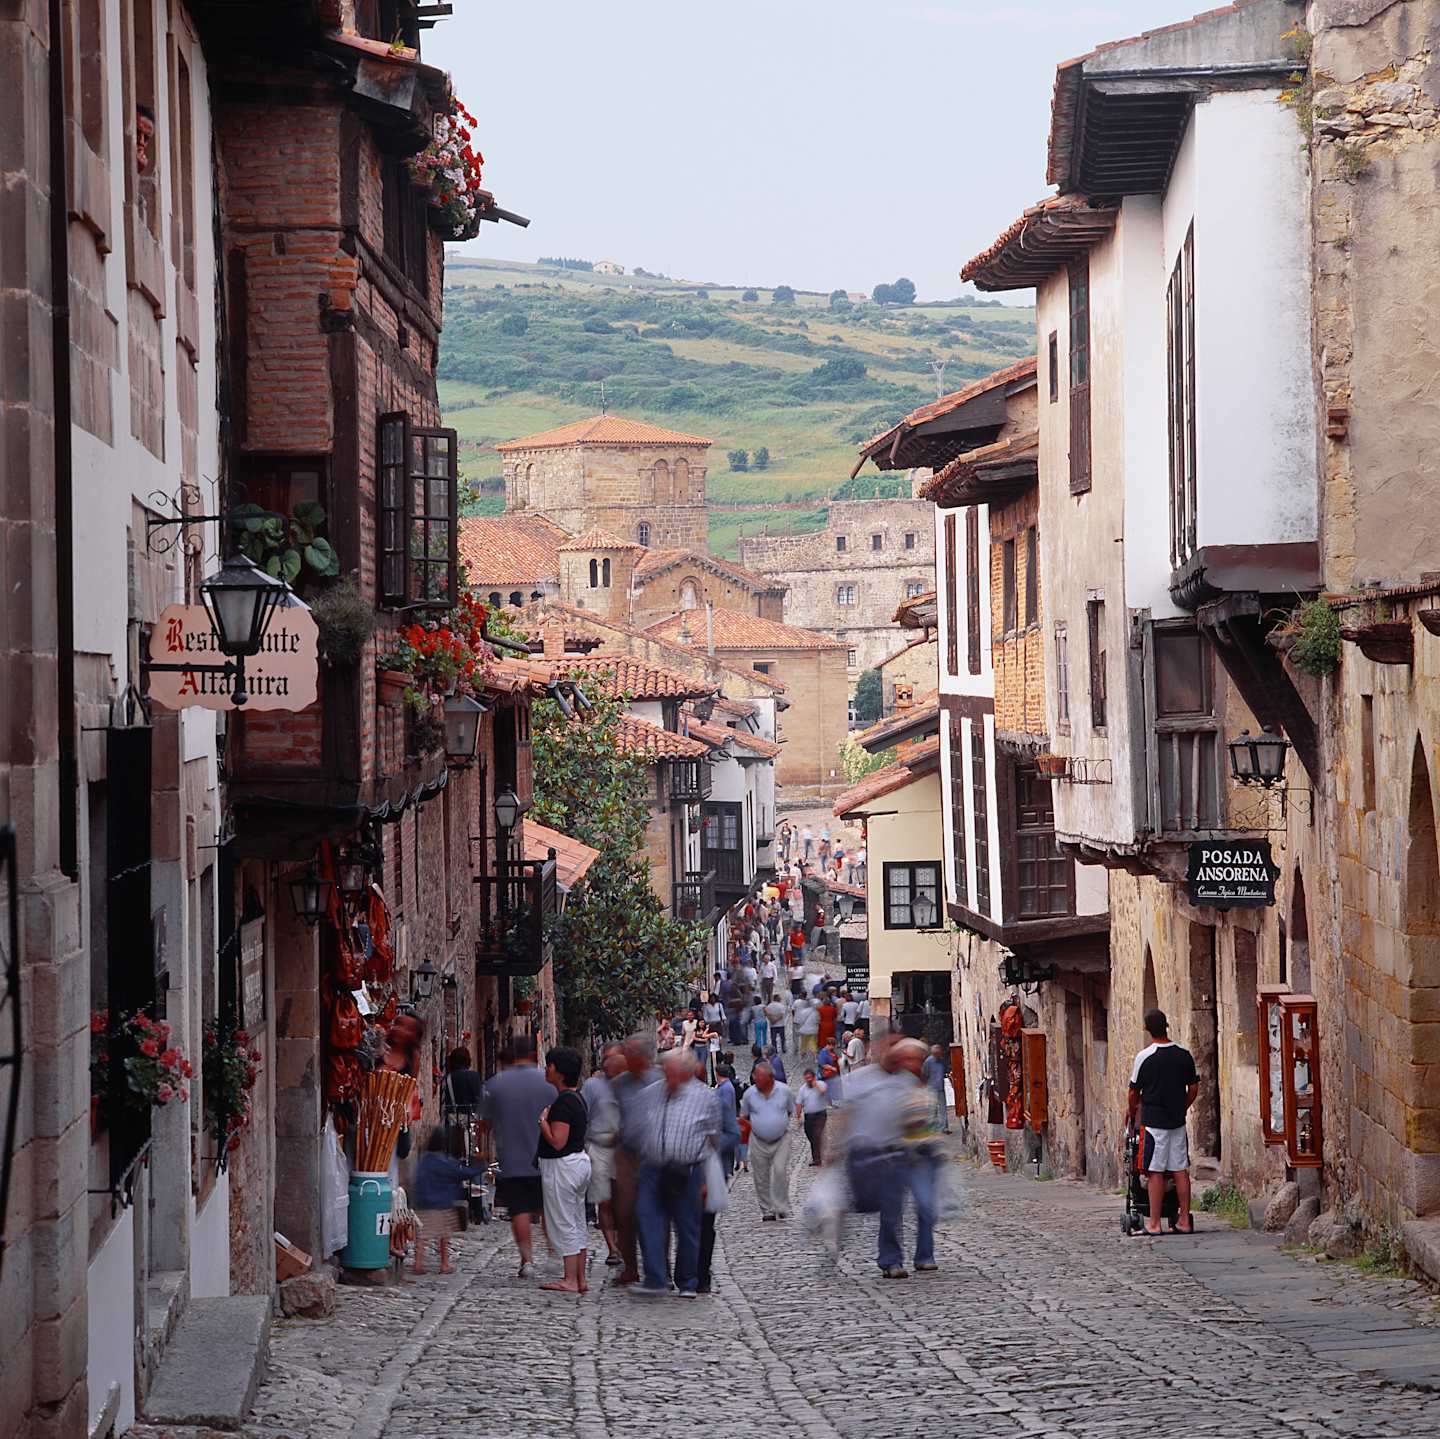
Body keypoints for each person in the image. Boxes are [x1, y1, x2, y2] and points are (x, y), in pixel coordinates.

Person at [633, 1050, 719, 1299]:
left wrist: (707, 1175)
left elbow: (714, 1137)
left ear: (686, 1073)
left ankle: (688, 1282)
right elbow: (636, 1127)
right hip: (652, 1168)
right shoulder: (650, 1094)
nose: (668, 1076)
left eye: (673, 1072)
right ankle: (656, 1278)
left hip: (687, 1169)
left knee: (687, 1226)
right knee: (647, 1217)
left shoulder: (704, 1097)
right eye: (665, 1071)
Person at [477, 1036, 557, 1278]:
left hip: (512, 1157)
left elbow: (483, 1124)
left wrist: (483, 1152)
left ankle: (527, 1261)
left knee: (520, 1210)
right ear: (533, 1055)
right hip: (545, 1156)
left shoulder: (495, 1084)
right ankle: (554, 1253)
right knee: (547, 1209)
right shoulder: (548, 1083)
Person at [1127, 1008, 1199, 1237]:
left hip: (1154, 1124)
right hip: (1176, 1122)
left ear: (1146, 1029)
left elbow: (1133, 1091)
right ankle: (1185, 1220)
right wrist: (1183, 1107)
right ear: (1166, 1026)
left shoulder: (1144, 1057)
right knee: (1180, 1170)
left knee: (1155, 1171)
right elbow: (1193, 1088)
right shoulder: (1184, 1054)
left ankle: (1155, 1223)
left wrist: (1132, 1111)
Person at [537, 1046, 592, 1293]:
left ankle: (570, 1279)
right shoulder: (577, 1098)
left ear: (558, 1072)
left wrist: (543, 1123)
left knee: (565, 1221)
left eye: (549, 1066)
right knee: (577, 1220)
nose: (546, 1069)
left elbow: (557, 1140)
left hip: (563, 1167)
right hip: (578, 1163)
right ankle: (580, 1278)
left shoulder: (564, 1102)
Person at [609, 1035, 661, 1286]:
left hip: (655, 1157)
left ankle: (660, 1270)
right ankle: (630, 1267)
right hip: (628, 1157)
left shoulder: (662, 1079)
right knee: (626, 1214)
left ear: (642, 1057)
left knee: (656, 1214)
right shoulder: (619, 1084)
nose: (624, 1058)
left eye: (628, 1053)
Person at [412, 1128, 485, 1276]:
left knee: (423, 1235)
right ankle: (444, 1264)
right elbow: (459, 1173)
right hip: (440, 1204)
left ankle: (418, 1263)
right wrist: (479, 1168)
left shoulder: (424, 1161)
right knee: (444, 1236)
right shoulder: (442, 1161)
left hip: (423, 1203)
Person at [582, 1043, 625, 1265]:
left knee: (622, 1200)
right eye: (606, 1058)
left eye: (614, 1058)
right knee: (604, 1201)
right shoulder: (592, 1085)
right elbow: (583, 1114)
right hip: (598, 1146)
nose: (609, 1063)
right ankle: (613, 1248)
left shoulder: (631, 1085)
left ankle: (624, 1244)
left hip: (624, 1149)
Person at [740, 1062, 793, 1221]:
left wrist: (778, 1123)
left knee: (780, 1171)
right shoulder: (749, 1094)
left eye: (759, 1077)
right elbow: (744, 1116)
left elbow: (790, 1111)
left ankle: (781, 1205)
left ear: (770, 1078)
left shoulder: (784, 1091)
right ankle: (767, 1210)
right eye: (755, 1076)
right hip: (758, 1140)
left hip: (781, 1139)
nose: (756, 1079)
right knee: (761, 1176)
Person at [440, 1046, 483, 1159]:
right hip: (469, 1119)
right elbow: (479, 1098)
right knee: (473, 1156)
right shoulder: (473, 1076)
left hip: (453, 1120)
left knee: (455, 1154)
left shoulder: (448, 1078)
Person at [797, 1068, 829, 1165]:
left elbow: (823, 1092)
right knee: (810, 1135)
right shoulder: (802, 1089)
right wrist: (798, 1116)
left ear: (814, 1077)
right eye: (806, 1079)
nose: (808, 1080)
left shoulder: (821, 1084)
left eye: (810, 1078)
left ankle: (817, 1159)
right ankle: (817, 1153)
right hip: (808, 1116)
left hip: (820, 1114)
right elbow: (799, 1103)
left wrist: (816, 1086)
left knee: (816, 1135)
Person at [714, 1063, 741, 1178]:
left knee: (727, 1149)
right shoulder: (724, 1086)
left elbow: (725, 1106)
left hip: (725, 1123)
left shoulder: (726, 1088)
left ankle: (728, 1170)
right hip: (724, 1123)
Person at [923, 1044, 952, 1135]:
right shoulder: (928, 1062)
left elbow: (945, 1071)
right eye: (936, 1054)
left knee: (943, 1108)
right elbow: (925, 1074)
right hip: (931, 1088)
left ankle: (944, 1128)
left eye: (939, 1054)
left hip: (940, 1087)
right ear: (932, 1053)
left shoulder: (941, 1061)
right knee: (932, 1109)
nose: (938, 1055)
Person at [817, 1038, 843, 1107]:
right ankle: (827, 1104)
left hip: (832, 1074)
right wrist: (832, 1068)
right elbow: (822, 1064)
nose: (834, 1047)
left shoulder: (831, 1051)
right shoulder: (823, 1052)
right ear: (829, 1045)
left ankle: (830, 1104)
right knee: (827, 1088)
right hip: (826, 1074)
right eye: (833, 1045)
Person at [795, 993, 819, 1059]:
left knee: (804, 1044)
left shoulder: (804, 1011)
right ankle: (815, 1056)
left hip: (805, 1030)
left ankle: (802, 1056)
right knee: (813, 1043)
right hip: (814, 1030)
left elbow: (801, 1021)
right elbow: (818, 1021)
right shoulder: (816, 1012)